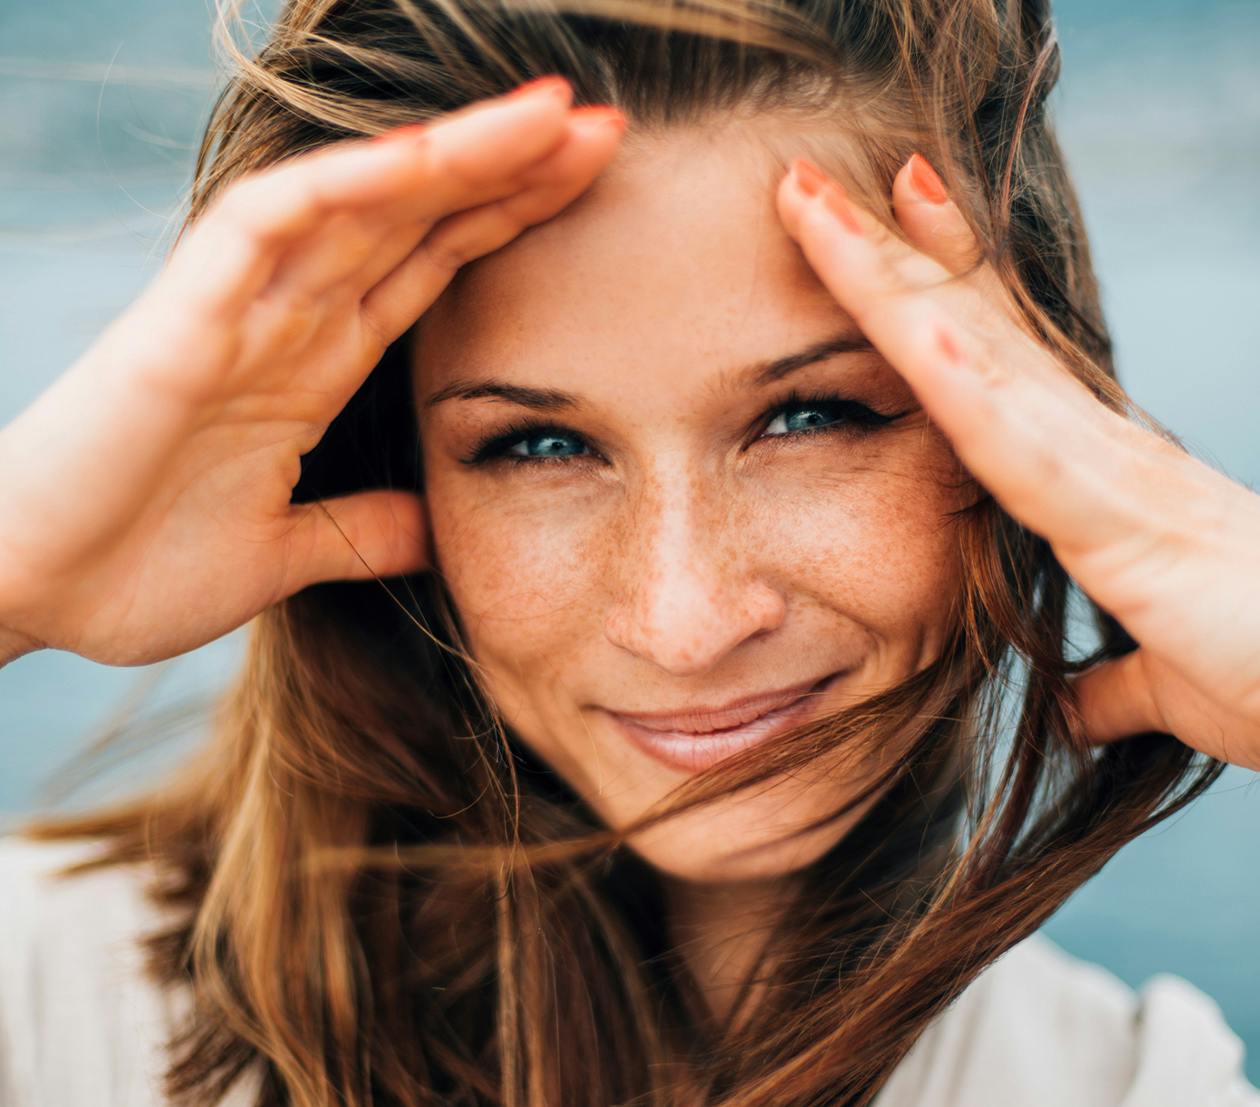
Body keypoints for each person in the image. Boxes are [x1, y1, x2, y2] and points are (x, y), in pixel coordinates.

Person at [0, 0, 1257, 1102]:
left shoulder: (1125, 1085)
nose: (684, 618)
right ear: (385, 461)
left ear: (1031, 406)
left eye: (811, 417)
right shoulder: (50, 1005)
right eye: (539, 447)